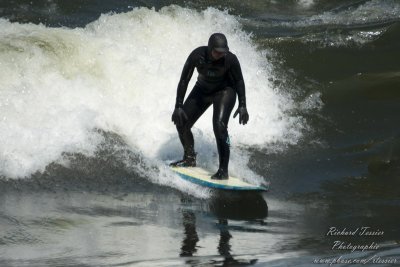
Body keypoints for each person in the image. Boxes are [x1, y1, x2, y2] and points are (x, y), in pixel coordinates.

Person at [170, 33, 249, 180]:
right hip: (202, 89)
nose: (220, 55)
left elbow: (239, 81)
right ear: (210, 48)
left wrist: (243, 104)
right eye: (217, 51)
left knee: (219, 126)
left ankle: (223, 171)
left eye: (223, 52)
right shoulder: (197, 55)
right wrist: (178, 106)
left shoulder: (230, 59)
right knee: (182, 122)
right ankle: (189, 158)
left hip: (225, 91)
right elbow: (184, 80)